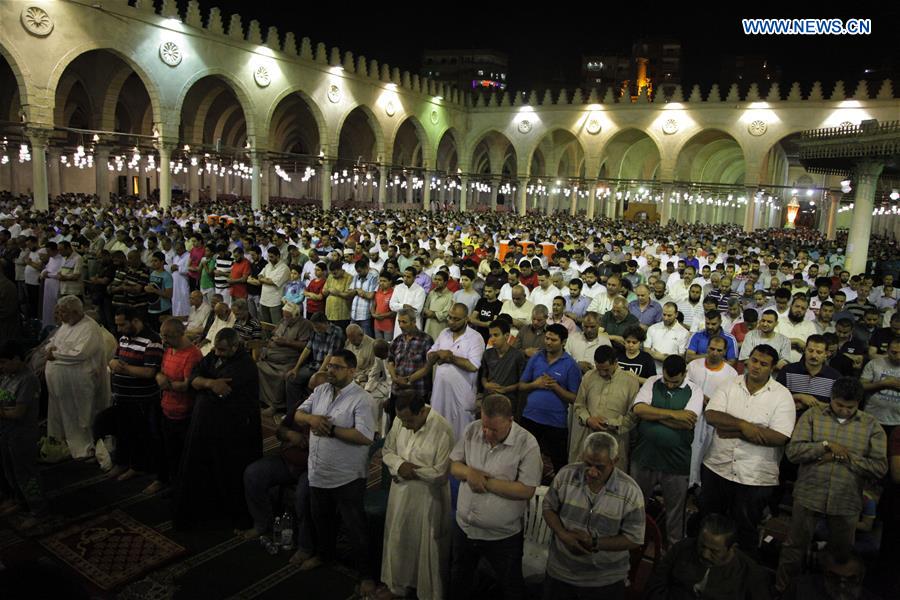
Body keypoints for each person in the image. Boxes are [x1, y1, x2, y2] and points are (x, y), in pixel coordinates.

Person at [775, 377, 888, 592]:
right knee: (794, 548)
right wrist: (825, 446)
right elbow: (793, 452)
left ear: (859, 403)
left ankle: (836, 593)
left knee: (842, 555)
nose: (844, 410)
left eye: (850, 407)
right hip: (809, 493)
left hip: (845, 500)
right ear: (831, 398)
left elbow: (879, 468)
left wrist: (843, 457)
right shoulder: (813, 416)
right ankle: (783, 591)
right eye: (839, 405)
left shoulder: (871, 426)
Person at [293, 349, 376, 595]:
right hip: (318, 472)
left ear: (352, 371)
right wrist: (312, 421)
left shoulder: (362, 399)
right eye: (329, 366)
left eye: (337, 367)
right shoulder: (320, 391)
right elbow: (298, 414)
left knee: (355, 529)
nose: (330, 370)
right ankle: (324, 555)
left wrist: (329, 429)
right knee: (322, 520)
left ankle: (367, 575)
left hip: (347, 476)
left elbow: (364, 436)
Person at [700, 345, 796, 554]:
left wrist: (734, 430)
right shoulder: (729, 385)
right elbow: (712, 415)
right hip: (717, 467)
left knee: (745, 529)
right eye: (754, 361)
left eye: (763, 364)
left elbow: (780, 437)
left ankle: (739, 574)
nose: (756, 367)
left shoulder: (782, 396)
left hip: (755, 477)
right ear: (747, 361)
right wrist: (746, 427)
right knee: (709, 522)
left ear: (772, 368)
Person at [449, 394, 542, 600]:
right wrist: (469, 473)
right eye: (485, 426)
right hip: (465, 528)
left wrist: (486, 482)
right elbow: (454, 464)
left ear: (510, 420)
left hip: (502, 536)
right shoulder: (472, 430)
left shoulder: (527, 444)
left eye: (494, 429)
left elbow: (526, 490)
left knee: (511, 586)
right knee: (459, 581)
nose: (487, 433)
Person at [175, 328, 262, 529]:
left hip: (234, 431)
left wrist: (203, 384)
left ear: (235, 347)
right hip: (209, 426)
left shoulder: (244, 366)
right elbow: (195, 375)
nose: (218, 354)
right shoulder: (214, 355)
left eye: (223, 351)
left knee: (229, 473)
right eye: (217, 349)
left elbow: (220, 391)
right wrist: (208, 382)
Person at [542, 432, 644, 600]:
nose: (592, 472)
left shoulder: (630, 492)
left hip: (605, 580)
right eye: (588, 464)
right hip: (561, 572)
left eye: (600, 467)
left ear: (614, 461)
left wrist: (596, 543)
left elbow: (634, 539)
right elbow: (548, 507)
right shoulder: (566, 475)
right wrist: (563, 534)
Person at [380, 392, 454, 600]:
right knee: (399, 539)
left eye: (409, 420)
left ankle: (427, 592)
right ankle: (397, 587)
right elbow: (387, 450)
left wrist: (409, 471)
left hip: (428, 499)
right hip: (400, 494)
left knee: (425, 547)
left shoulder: (442, 429)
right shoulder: (400, 419)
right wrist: (400, 465)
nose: (404, 425)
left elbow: (440, 472)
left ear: (422, 411)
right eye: (401, 419)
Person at [631, 355, 704, 547]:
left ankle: (673, 550)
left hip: (675, 462)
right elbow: (638, 410)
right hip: (644, 456)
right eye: (667, 381)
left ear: (684, 374)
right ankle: (634, 542)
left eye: (675, 382)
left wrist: (653, 414)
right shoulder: (652, 381)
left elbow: (687, 423)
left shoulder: (694, 390)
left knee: (674, 512)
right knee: (636, 506)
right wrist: (673, 414)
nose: (670, 385)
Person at [240, 376, 313, 563]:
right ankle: (262, 522)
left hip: (312, 468)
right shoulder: (301, 407)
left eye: (316, 391)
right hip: (287, 460)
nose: (310, 395)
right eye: (310, 391)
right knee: (253, 474)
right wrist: (290, 434)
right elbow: (280, 430)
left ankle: (306, 545)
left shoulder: (333, 414)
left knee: (303, 496)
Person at [644, 513, 771, 600]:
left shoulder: (750, 573)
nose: (705, 554)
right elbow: (656, 582)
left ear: (732, 548)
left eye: (714, 551)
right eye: (702, 546)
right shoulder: (683, 548)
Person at [44, 295, 108, 459]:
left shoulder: (89, 328)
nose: (61, 316)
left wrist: (56, 354)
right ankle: (62, 441)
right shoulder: (66, 325)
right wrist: (50, 350)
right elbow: (53, 341)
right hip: (60, 381)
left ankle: (84, 447)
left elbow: (81, 353)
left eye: (63, 312)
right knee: (62, 413)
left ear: (74, 312)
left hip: (80, 381)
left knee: (81, 415)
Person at [106, 306, 164, 482]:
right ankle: (123, 462)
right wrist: (113, 363)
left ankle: (138, 466)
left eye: (122, 324)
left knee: (139, 435)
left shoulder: (152, 340)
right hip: (122, 396)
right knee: (123, 432)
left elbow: (149, 372)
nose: (119, 329)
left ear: (136, 321)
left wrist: (123, 369)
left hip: (141, 400)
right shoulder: (124, 337)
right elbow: (116, 358)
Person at [520, 324, 583, 475]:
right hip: (530, 416)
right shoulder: (536, 358)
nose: (548, 342)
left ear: (563, 342)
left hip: (555, 422)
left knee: (559, 463)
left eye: (553, 340)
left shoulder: (571, 365)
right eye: (547, 338)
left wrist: (556, 387)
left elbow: (575, 398)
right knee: (522, 457)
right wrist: (536, 384)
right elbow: (521, 386)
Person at [149, 318, 202, 495]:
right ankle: (167, 480)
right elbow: (160, 373)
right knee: (166, 449)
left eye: (167, 337)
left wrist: (166, 383)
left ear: (180, 334)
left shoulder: (192, 355)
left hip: (183, 412)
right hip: (166, 407)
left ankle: (180, 487)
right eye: (162, 336)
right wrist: (161, 379)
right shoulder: (170, 349)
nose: (164, 341)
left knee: (181, 454)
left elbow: (187, 385)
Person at [0, 339, 46, 523]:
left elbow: (18, 413)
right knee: (9, 470)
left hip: (22, 435)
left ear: (17, 359)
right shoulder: (7, 376)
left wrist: (2, 412)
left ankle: (38, 510)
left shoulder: (28, 380)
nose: (1, 366)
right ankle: (19, 501)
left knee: (26, 474)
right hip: (6, 432)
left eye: (3, 362)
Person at [570, 345, 639, 466]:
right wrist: (588, 419)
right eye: (599, 368)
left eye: (606, 370)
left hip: (616, 439)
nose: (602, 373)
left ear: (616, 362)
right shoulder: (589, 376)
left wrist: (610, 424)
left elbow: (633, 416)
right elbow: (579, 405)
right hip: (588, 435)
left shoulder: (630, 381)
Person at [426, 303, 485, 440]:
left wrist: (450, 357)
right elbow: (430, 356)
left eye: (456, 319)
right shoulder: (444, 333)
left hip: (461, 395)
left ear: (466, 319)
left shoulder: (475, 338)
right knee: (437, 432)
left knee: (459, 435)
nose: (451, 322)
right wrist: (439, 354)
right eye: (450, 317)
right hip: (439, 392)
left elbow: (473, 365)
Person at [685, 336, 738, 488]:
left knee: (709, 451)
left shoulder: (731, 374)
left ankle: (702, 485)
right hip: (692, 416)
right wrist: (699, 396)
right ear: (707, 348)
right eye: (712, 349)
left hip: (714, 420)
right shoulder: (694, 365)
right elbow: (685, 386)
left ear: (725, 352)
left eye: (719, 350)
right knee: (691, 450)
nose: (714, 353)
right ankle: (688, 483)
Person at [257, 302, 311, 416]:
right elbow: (273, 336)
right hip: (273, 356)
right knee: (259, 366)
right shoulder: (283, 321)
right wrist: (265, 350)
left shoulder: (305, 324)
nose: (285, 319)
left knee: (282, 375)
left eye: (288, 316)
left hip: (291, 359)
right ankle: (264, 401)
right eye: (284, 316)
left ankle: (275, 405)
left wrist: (287, 342)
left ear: (296, 315)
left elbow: (305, 345)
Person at [285, 313, 346, 402]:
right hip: (313, 365)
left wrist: (318, 374)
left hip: (327, 368)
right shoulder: (315, 330)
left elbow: (330, 356)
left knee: (317, 383)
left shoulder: (336, 333)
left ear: (325, 323)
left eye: (318, 327)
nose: (316, 329)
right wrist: (296, 368)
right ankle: (293, 410)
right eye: (314, 327)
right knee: (291, 379)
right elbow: (307, 349)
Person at [776, 334, 842, 413]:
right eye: (810, 351)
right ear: (805, 350)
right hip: (788, 418)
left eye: (819, 352)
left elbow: (839, 407)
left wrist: (810, 405)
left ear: (826, 354)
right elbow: (775, 398)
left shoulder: (834, 377)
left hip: (820, 422)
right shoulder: (788, 370)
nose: (814, 355)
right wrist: (799, 397)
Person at [386, 308, 434, 402]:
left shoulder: (426, 340)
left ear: (413, 322)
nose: (401, 325)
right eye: (399, 322)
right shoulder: (397, 340)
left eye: (404, 322)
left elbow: (428, 366)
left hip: (417, 392)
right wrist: (395, 378)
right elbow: (390, 360)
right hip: (397, 390)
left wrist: (408, 380)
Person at [480, 319, 526, 411]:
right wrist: (486, 385)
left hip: (508, 401)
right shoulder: (487, 354)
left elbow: (522, 383)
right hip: (488, 399)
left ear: (506, 336)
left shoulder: (517, 356)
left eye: (496, 335)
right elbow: (483, 375)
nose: (492, 339)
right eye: (490, 335)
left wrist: (505, 389)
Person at [860, 337, 900, 434]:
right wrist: (883, 383)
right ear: (887, 350)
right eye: (894, 352)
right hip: (872, 417)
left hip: (897, 421)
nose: (898, 356)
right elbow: (861, 386)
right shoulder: (874, 364)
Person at [646, 302, 690, 373]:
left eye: (669, 315)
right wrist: (668, 357)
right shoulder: (653, 328)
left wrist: (660, 357)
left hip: (671, 371)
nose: (666, 318)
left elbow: (681, 358)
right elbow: (646, 350)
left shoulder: (684, 333)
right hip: (651, 370)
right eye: (664, 314)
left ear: (676, 314)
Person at [389, 266, 427, 338]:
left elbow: (417, 310)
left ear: (414, 278)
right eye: (404, 276)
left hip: (413, 324)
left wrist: (399, 307)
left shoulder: (420, 290)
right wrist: (403, 306)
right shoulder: (398, 288)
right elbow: (391, 305)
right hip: (399, 324)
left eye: (408, 277)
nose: (405, 279)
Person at [257, 246, 289, 325]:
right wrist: (266, 280)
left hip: (275, 302)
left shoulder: (284, 268)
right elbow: (259, 276)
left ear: (278, 256)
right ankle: (267, 338)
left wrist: (265, 280)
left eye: (272, 257)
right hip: (263, 299)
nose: (270, 259)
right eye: (269, 256)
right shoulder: (268, 265)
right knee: (264, 325)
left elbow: (273, 282)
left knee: (276, 326)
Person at [422, 270, 454, 340]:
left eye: (439, 280)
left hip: (440, 327)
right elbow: (425, 307)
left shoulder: (450, 295)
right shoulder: (431, 293)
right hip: (428, 325)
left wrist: (433, 314)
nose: (436, 282)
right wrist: (426, 311)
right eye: (435, 279)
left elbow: (447, 313)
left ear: (445, 282)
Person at [372, 272, 396, 342]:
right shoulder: (378, 292)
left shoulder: (394, 293)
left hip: (388, 325)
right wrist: (373, 314)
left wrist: (382, 315)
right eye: (380, 281)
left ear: (390, 282)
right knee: (378, 346)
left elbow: (394, 312)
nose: (381, 283)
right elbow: (373, 304)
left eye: (384, 281)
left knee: (388, 347)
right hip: (377, 324)